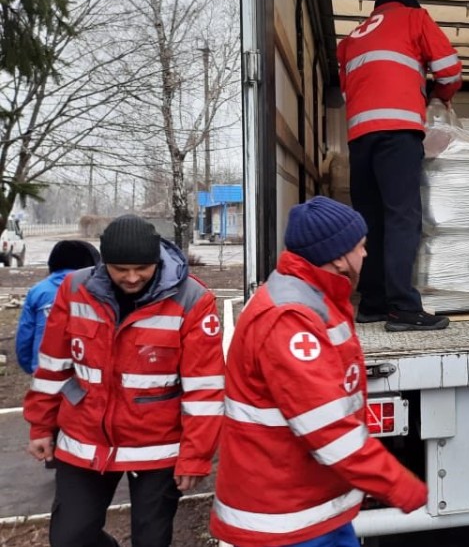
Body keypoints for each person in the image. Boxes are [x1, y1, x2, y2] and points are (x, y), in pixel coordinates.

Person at [211, 196, 428, 547]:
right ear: (339, 257)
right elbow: (331, 430)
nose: (366, 254)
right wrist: (399, 485)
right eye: (361, 246)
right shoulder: (290, 318)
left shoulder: (314, 297)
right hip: (284, 521)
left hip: (310, 507)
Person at [23, 215, 224, 547]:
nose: (132, 277)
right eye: (121, 269)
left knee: (151, 540)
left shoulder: (193, 300)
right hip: (84, 437)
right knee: (70, 538)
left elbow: (204, 388)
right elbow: (52, 367)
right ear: (105, 264)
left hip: (157, 446)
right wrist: (41, 426)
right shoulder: (75, 290)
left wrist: (195, 455)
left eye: (142, 268)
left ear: (156, 261)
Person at [337, 0, 462, 331]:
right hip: (398, 132)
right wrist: (438, 95)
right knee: (402, 218)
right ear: (409, 5)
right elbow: (450, 71)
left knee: (371, 219)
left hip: (359, 139)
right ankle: (404, 308)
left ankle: (373, 303)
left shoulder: (350, 40)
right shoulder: (413, 18)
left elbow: (349, 90)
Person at [16, 240, 101, 374]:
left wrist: (31, 366)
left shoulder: (38, 291)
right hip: (88, 373)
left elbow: (25, 335)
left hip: (45, 370)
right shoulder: (98, 291)